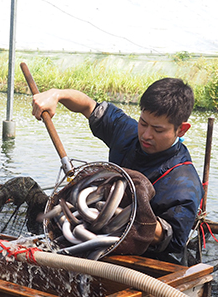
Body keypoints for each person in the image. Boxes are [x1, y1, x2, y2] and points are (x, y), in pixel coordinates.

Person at [32, 78, 203, 264]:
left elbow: (173, 239)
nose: (146, 135)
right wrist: (57, 94)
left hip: (144, 263)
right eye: (143, 123)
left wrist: (129, 217)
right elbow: (88, 106)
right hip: (95, 240)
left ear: (182, 130)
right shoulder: (127, 132)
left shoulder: (184, 184)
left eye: (158, 130)